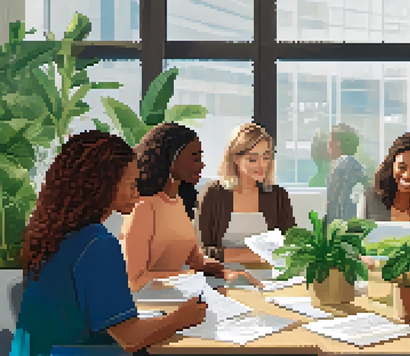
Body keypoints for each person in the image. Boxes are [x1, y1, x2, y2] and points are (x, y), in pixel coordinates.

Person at [11, 131, 208, 355]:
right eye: (132, 184)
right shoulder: (97, 244)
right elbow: (130, 338)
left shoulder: (54, 233)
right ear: (103, 185)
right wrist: (180, 319)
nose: (138, 191)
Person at [120, 122, 263, 292]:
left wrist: (227, 272)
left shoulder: (179, 201)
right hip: (149, 304)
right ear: (171, 160)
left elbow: (197, 261)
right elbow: (134, 280)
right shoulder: (144, 207)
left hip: (180, 295)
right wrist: (189, 276)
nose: (201, 165)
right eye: (195, 158)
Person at [197, 123, 296, 264]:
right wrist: (256, 255)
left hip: (272, 276)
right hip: (223, 275)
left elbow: (292, 245)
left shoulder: (278, 195)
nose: (262, 165)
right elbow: (203, 251)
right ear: (235, 159)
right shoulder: (213, 193)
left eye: (266, 157)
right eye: (252, 159)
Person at [326, 123, 367, 224]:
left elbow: (334, 202)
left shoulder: (340, 167)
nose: (328, 145)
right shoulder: (357, 166)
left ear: (337, 144)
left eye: (330, 141)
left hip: (341, 225)